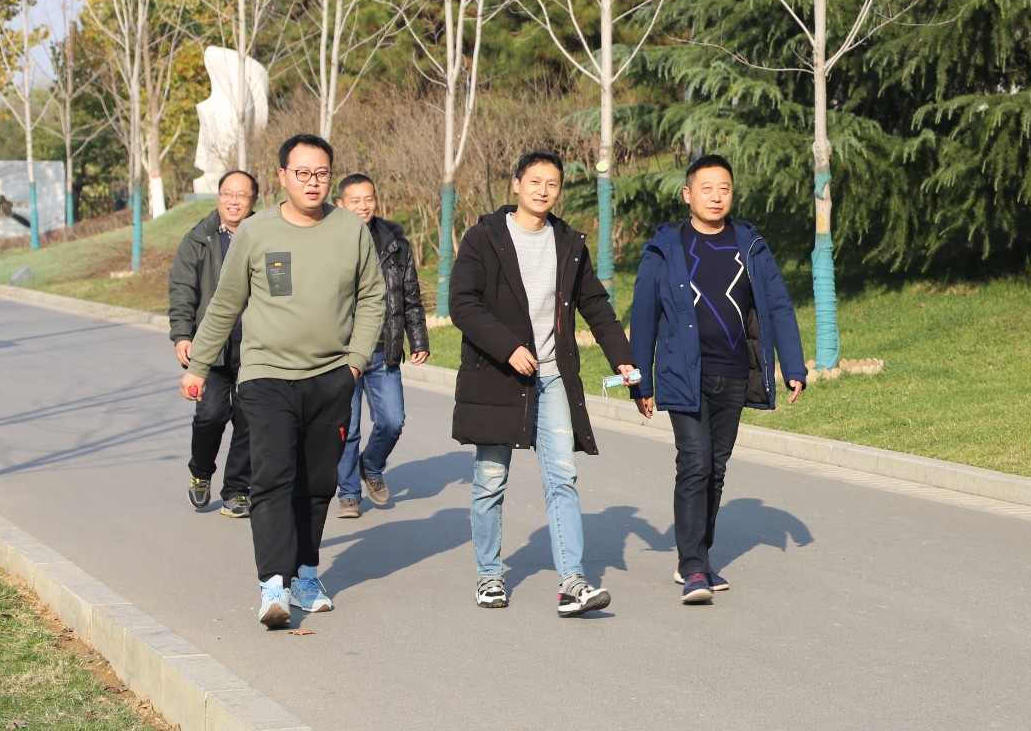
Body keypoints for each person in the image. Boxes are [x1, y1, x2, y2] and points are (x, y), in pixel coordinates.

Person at [179, 134, 385, 629]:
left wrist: (355, 363)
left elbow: (372, 297)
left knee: (317, 484)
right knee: (272, 476)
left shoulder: (350, 230)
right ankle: (273, 585)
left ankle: (306, 575)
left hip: (330, 376)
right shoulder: (256, 232)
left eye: (321, 173)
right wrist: (199, 365)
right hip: (265, 375)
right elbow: (226, 302)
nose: (313, 182)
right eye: (302, 173)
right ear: (282, 177)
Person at [449, 150, 637, 617]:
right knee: (490, 479)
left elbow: (596, 306)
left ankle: (572, 582)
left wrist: (624, 361)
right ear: (516, 184)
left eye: (552, 183)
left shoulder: (569, 242)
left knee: (562, 478)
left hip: (552, 375)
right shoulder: (484, 238)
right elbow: (463, 303)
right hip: (497, 375)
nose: (543, 190)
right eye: (534, 181)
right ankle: (489, 575)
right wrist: (508, 347)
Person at [628, 154, 807, 605]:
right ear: (687, 194)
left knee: (716, 468)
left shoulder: (751, 246)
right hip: (681, 374)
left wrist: (794, 366)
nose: (715, 196)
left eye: (724, 188)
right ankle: (692, 567)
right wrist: (639, 382)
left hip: (733, 373)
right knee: (695, 462)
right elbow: (644, 316)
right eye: (706, 188)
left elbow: (779, 306)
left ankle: (698, 557)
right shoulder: (665, 249)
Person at [333, 174, 430, 518]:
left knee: (392, 420)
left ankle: (371, 466)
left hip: (382, 350)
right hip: (341, 353)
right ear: (340, 204)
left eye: (368, 198)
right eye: (355, 200)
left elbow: (410, 297)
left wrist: (418, 339)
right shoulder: (328, 242)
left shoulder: (396, 245)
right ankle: (348, 494)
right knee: (347, 428)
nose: (363, 206)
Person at [168, 170, 258, 518]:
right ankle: (201, 473)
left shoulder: (263, 235)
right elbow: (182, 289)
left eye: (242, 195)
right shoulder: (199, 239)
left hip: (255, 347)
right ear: (219, 197)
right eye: (227, 194)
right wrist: (182, 334)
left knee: (250, 419)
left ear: (253, 200)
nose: (233, 201)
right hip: (211, 347)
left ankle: (237, 490)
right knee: (210, 415)